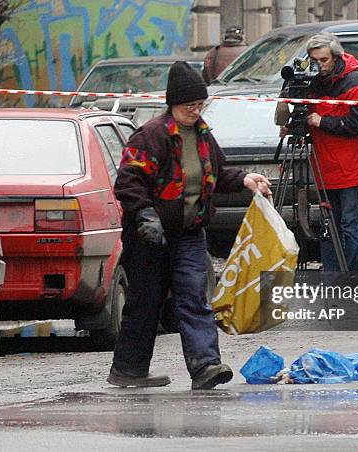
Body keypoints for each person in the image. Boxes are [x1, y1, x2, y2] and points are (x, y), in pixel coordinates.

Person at [108, 61, 272, 390]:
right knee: (145, 303)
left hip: (189, 233)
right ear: (173, 104)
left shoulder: (203, 136)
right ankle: (129, 369)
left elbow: (217, 175)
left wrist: (244, 179)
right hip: (148, 236)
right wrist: (143, 214)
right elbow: (128, 181)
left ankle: (205, 366)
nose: (195, 112)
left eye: (200, 105)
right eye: (189, 106)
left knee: (194, 298)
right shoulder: (151, 136)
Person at [280, 32, 358, 273]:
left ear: (335, 57)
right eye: (314, 60)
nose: (319, 66)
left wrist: (322, 122)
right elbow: (299, 108)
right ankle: (331, 274)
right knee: (327, 221)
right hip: (325, 163)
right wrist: (290, 119)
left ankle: (351, 276)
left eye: (324, 60)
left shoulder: (352, 80)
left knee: (349, 222)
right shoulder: (312, 78)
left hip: (351, 165)